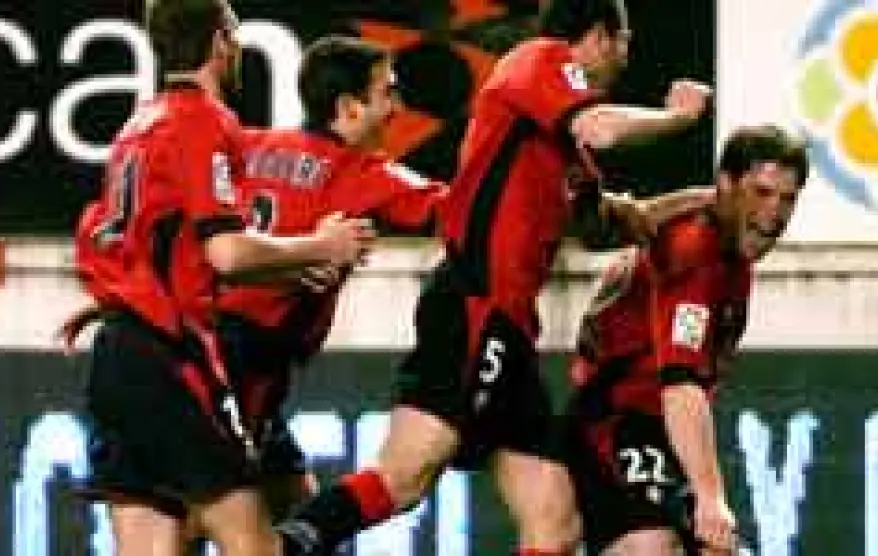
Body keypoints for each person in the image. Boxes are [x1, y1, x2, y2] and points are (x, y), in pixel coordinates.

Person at [276, 0, 714, 554]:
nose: (626, 58)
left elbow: (612, 224)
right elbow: (601, 127)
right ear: (600, 35)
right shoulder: (537, 59)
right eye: (624, 42)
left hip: (510, 328)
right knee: (405, 476)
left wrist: (708, 202)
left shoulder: (563, 150)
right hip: (476, 303)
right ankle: (287, 546)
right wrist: (678, 117)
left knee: (554, 515)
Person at [67, 1, 374, 554]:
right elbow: (226, 254)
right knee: (256, 545)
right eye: (234, 35)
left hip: (117, 354)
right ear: (218, 41)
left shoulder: (139, 124)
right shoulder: (203, 121)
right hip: (170, 361)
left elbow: (142, 240)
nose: (239, 49)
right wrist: (321, 246)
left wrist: (116, 304)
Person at [202, 33, 446, 530]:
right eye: (387, 92)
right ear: (349, 107)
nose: (397, 108)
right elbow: (461, 213)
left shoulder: (248, 146)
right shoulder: (362, 173)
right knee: (210, 512)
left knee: (295, 505)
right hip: (249, 360)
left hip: (202, 343)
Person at [564, 125, 808, 555]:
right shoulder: (696, 254)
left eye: (787, 199)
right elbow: (680, 384)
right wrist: (710, 497)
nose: (775, 213)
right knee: (650, 545)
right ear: (726, 184)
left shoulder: (728, 250)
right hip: (617, 422)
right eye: (761, 193)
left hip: (655, 429)